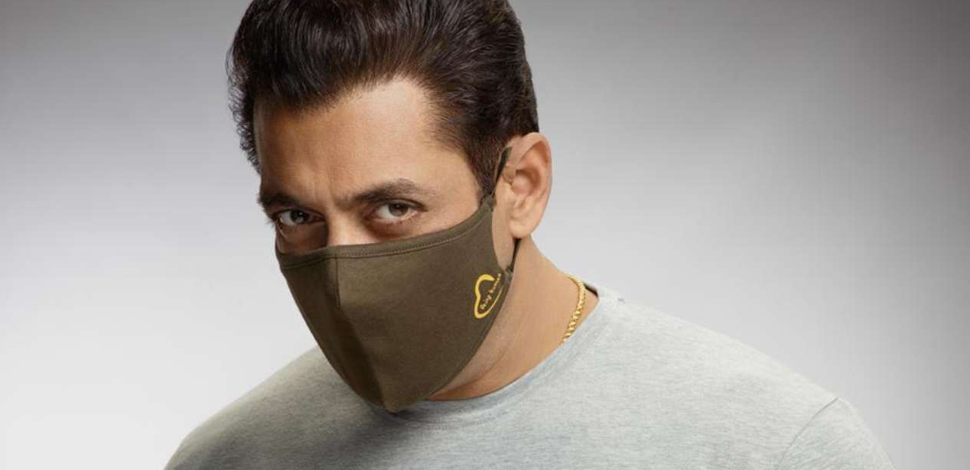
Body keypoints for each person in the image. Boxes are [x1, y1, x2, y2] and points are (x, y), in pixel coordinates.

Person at [165, 0, 897, 468]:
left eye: (393, 209)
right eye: (298, 217)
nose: (344, 274)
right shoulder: (232, 459)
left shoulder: (777, 447)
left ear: (521, 185)